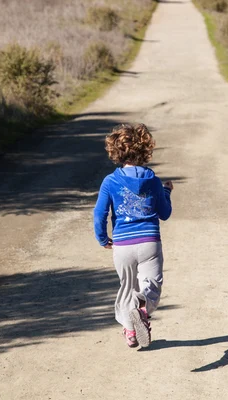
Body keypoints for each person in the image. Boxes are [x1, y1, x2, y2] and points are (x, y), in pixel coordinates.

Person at [93, 123, 173, 348]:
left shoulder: (110, 181)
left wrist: (102, 238)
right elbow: (165, 213)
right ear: (145, 150)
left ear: (115, 152)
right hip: (149, 241)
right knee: (152, 286)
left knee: (126, 288)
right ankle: (143, 305)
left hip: (122, 244)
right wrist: (165, 191)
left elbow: (100, 213)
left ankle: (130, 331)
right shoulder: (153, 180)